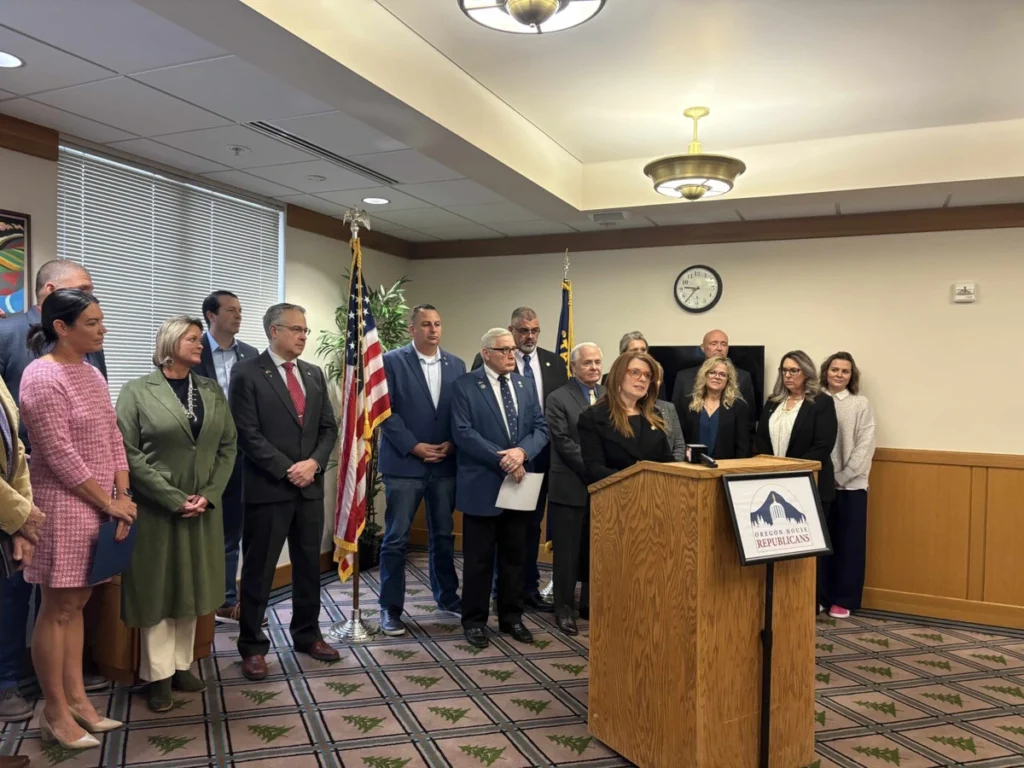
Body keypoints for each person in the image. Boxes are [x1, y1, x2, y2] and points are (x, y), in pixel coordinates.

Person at [19, 289, 136, 750]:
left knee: (78, 605)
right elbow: (58, 454)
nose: (102, 329)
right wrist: (110, 503)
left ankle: (79, 701)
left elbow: (113, 438)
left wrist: (123, 495)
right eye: (92, 322)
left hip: (101, 504)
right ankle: (54, 710)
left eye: (101, 320)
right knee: (58, 608)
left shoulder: (91, 373)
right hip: (63, 506)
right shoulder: (41, 377)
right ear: (61, 328)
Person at [0, 261, 109, 724]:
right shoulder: (9, 336)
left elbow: (106, 426)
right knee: (15, 594)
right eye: (82, 292)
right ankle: (9, 682)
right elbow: (30, 435)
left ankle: (71, 691)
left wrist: (115, 495)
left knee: (69, 602)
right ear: (50, 295)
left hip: (82, 495)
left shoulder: (87, 355)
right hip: (25, 492)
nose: (91, 300)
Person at [116, 316, 238, 712]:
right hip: (157, 511)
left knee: (193, 589)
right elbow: (128, 453)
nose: (200, 344)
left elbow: (228, 446)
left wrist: (210, 494)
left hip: (203, 507)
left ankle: (183, 665)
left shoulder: (209, 389)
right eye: (192, 339)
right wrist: (171, 497)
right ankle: (158, 676)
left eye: (199, 339)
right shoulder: (136, 391)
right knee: (158, 592)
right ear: (170, 343)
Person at [229, 303, 339, 680]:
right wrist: (287, 468)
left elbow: (328, 428)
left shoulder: (313, 373)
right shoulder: (247, 373)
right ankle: (253, 646)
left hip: (309, 488)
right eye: (296, 330)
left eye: (305, 330)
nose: (303, 337)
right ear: (274, 331)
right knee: (259, 571)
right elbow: (247, 434)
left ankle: (308, 634)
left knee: (309, 566)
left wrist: (314, 464)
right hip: (269, 488)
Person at [453, 328, 549, 649]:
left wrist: (521, 453)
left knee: (515, 556)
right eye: (504, 350)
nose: (512, 355)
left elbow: (540, 427)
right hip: (483, 483)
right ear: (486, 353)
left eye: (512, 350)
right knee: (479, 559)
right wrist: (505, 459)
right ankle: (475, 621)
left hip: (520, 482)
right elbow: (464, 433)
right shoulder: (465, 386)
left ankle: (511, 617)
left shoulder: (524, 384)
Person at [378, 304, 465, 636]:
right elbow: (384, 411)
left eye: (438, 324)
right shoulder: (390, 362)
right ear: (411, 330)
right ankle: (391, 608)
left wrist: (452, 443)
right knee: (396, 539)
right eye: (426, 324)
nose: (433, 329)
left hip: (444, 462)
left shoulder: (456, 364)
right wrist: (413, 445)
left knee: (443, 535)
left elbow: (462, 411)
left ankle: (446, 597)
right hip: (404, 464)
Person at [472, 307, 566, 611]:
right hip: (500, 461)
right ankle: (501, 590)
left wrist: (529, 450)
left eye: (535, 330)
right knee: (501, 528)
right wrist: (509, 455)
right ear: (512, 331)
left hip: (539, 458)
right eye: (523, 330)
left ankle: (526, 588)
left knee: (530, 526)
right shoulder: (486, 360)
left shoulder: (554, 363)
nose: (529, 336)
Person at [192, 290, 259, 624]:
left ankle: (234, 601)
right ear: (211, 315)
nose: (238, 316)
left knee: (240, 529)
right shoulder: (192, 350)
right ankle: (212, 599)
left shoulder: (250, 354)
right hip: (206, 456)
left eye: (240, 310)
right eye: (231, 310)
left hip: (245, 455)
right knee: (212, 532)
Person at [756, 350, 838, 613]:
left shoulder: (821, 403)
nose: (788, 376)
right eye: (784, 370)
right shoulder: (772, 402)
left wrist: (790, 471)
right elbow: (760, 441)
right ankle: (780, 604)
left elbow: (823, 445)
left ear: (807, 373)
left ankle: (806, 605)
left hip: (808, 486)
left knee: (806, 554)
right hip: (772, 487)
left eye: (794, 371)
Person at [545, 342, 604, 635]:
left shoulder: (609, 395)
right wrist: (597, 465)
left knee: (595, 550)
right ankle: (564, 609)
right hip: (569, 485)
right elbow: (563, 442)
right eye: (587, 363)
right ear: (574, 367)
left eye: (597, 362)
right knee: (567, 554)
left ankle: (589, 604)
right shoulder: (558, 398)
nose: (594, 367)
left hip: (604, 488)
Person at [818, 352, 875, 619]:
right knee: (821, 544)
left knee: (848, 545)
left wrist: (842, 477)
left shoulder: (860, 404)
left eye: (845, 371)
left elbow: (865, 446)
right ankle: (820, 595)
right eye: (835, 369)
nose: (839, 375)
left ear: (852, 376)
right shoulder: (814, 400)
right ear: (825, 372)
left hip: (851, 487)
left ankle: (843, 599)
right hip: (819, 484)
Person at [578, 351, 675, 485]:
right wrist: (635, 480)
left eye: (648, 375)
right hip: (613, 498)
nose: (642, 379)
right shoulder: (594, 416)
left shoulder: (654, 415)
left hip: (656, 497)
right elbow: (594, 469)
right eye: (635, 372)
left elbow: (667, 461)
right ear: (618, 376)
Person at [611, 331, 686, 460]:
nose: (643, 380)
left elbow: (677, 445)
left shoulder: (660, 407)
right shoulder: (612, 404)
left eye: (648, 376)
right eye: (635, 350)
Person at [671, 329, 756, 424]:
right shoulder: (684, 376)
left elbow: (749, 418)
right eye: (713, 343)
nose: (719, 348)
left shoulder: (743, 377)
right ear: (703, 347)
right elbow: (675, 416)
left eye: (724, 344)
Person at [680, 357, 751, 460]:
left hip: (726, 468)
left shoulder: (739, 406)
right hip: (693, 467)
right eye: (712, 372)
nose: (717, 377)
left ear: (728, 380)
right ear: (705, 375)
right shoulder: (688, 403)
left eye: (723, 374)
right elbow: (681, 441)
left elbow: (743, 446)